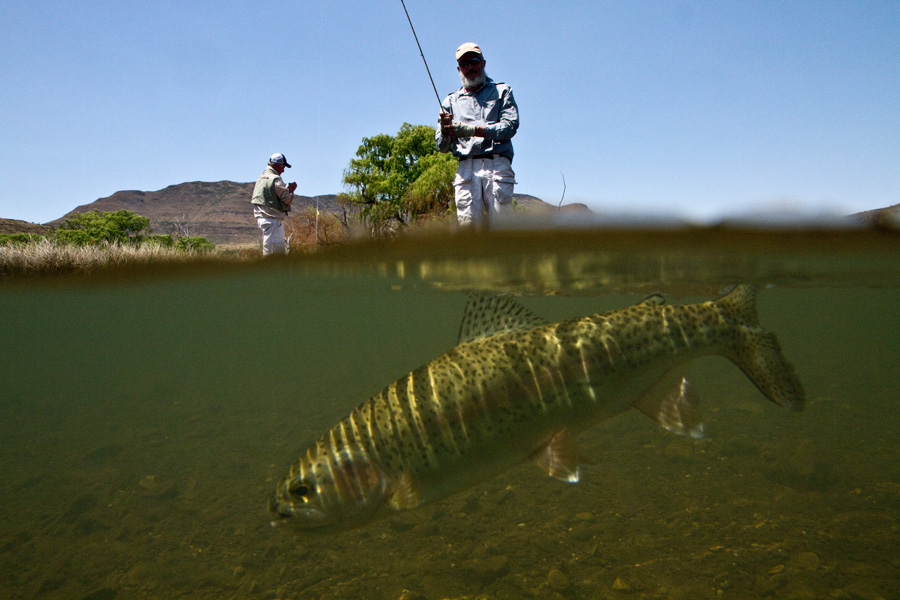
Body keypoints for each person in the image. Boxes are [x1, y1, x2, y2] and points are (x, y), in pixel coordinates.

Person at [436, 42, 519, 226]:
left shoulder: (502, 91)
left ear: (483, 63)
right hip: (466, 169)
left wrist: (472, 130)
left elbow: (510, 127)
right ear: (459, 69)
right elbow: (442, 147)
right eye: (464, 64)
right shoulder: (450, 101)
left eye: (474, 61)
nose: (470, 67)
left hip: (498, 165)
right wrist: (444, 130)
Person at [251, 153, 297, 255]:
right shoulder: (275, 179)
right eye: (283, 167)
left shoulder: (261, 178)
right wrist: (291, 190)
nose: (283, 170)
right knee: (272, 252)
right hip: (272, 219)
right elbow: (287, 199)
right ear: (277, 166)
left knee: (270, 249)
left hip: (263, 217)